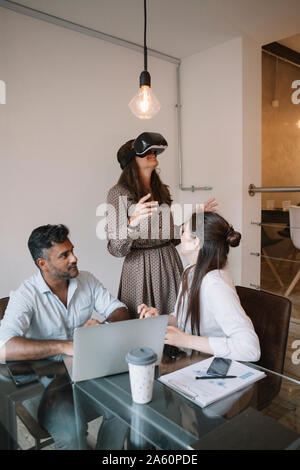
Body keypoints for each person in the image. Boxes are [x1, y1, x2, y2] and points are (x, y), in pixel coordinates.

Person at [0, 224, 130, 449]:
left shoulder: (86, 279)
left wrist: (103, 327)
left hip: (87, 375)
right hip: (44, 385)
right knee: (72, 434)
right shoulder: (25, 295)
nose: (74, 258)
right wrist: (65, 346)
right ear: (43, 264)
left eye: (72, 250)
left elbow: (119, 310)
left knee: (125, 409)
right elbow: (4, 347)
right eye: (64, 255)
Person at [106, 132, 217, 318]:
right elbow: (116, 249)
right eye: (144, 151)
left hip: (169, 263)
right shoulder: (118, 194)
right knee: (144, 326)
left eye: (154, 151)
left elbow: (171, 236)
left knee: (174, 320)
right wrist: (132, 223)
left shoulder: (160, 190)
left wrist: (194, 218)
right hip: (140, 269)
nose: (152, 154)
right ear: (131, 160)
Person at [139, 212, 261, 362]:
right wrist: (160, 320)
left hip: (218, 366)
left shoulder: (215, 285)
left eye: (183, 230)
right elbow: (182, 319)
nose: (180, 235)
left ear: (196, 241)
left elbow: (250, 349)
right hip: (195, 361)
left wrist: (185, 340)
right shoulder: (190, 272)